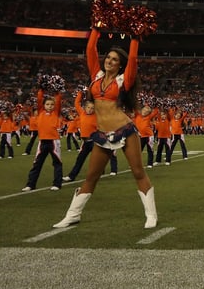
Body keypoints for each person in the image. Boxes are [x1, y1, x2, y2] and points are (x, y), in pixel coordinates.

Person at [53, 27, 157, 229]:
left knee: (138, 172)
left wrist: (135, 37)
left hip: (125, 130)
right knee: (92, 176)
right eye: (108, 58)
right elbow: (90, 49)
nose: (109, 61)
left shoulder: (123, 80)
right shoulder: (96, 75)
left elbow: (133, 60)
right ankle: (73, 214)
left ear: (120, 65)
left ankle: (151, 215)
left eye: (114, 59)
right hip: (101, 134)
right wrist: (95, 29)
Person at [21, 87, 63, 191]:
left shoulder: (56, 113)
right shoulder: (40, 112)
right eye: (47, 104)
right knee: (37, 164)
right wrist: (41, 89)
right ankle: (31, 184)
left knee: (57, 163)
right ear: (43, 106)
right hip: (42, 141)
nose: (50, 106)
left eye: (52, 104)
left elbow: (58, 100)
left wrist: (57, 91)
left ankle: (57, 184)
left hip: (54, 141)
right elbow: (39, 99)